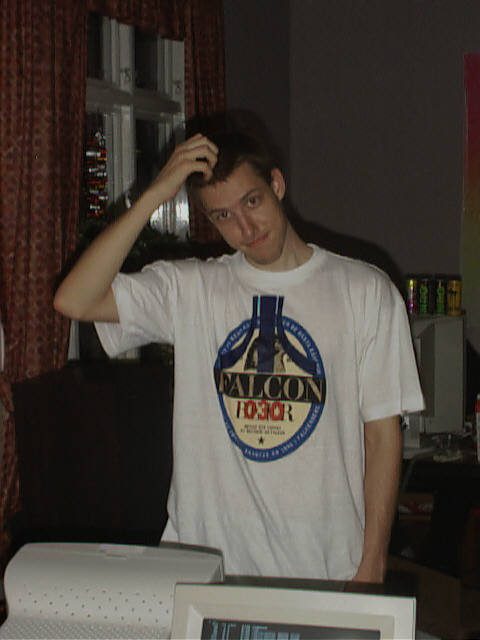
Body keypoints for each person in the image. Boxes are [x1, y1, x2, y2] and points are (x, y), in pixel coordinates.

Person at [54, 128, 424, 582]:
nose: (246, 228)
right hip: (206, 568)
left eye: (252, 201)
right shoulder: (191, 289)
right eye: (224, 215)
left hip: (326, 567)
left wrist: (372, 564)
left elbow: (383, 437)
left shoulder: (365, 292)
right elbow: (74, 300)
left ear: (277, 184)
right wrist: (153, 196)